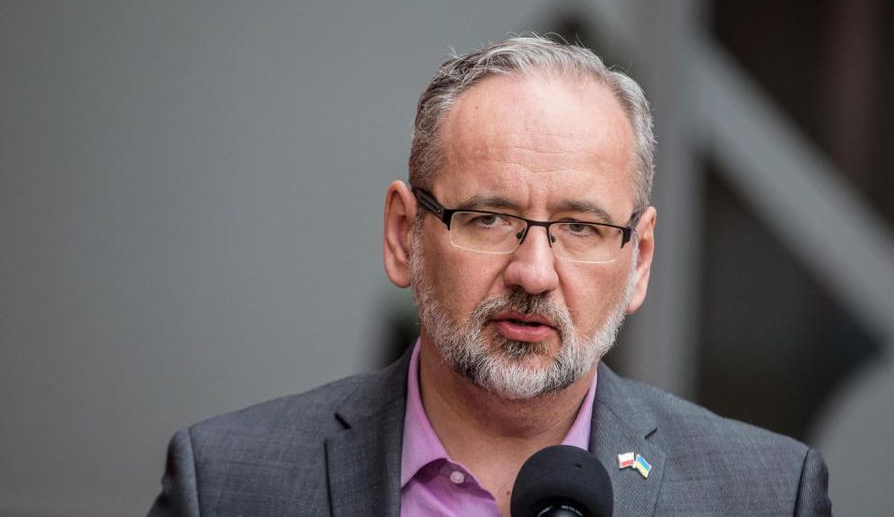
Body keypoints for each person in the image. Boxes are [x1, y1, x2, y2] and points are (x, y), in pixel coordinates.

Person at [147, 36, 831, 516]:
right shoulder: (228, 485)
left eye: (581, 227)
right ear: (403, 234)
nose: (534, 273)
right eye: (489, 218)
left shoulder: (766, 496)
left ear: (640, 259)